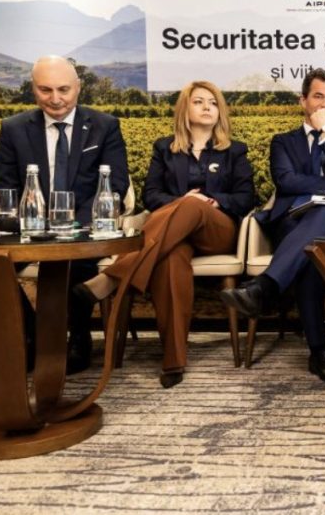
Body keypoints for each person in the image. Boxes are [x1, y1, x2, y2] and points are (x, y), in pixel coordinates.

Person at [75, 81, 255, 388]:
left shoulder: (234, 151)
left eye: (213, 102)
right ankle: (173, 360)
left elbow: (247, 197)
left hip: (218, 231)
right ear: (185, 108)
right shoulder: (164, 148)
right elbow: (152, 195)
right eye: (199, 101)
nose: (207, 107)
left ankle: (117, 274)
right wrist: (185, 202)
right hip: (173, 236)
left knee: (192, 207)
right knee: (170, 258)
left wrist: (211, 202)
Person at [221, 69, 325, 384]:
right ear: (303, 100)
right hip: (289, 223)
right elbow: (286, 181)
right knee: (311, 251)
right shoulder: (283, 142)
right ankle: (319, 352)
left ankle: (265, 288)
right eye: (318, 96)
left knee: (323, 219)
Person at [0, 55, 129, 373]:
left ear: (78, 88)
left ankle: (78, 338)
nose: (55, 99)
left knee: (74, 260)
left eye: (63, 89)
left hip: (82, 227)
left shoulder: (104, 126)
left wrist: (71, 225)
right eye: (46, 90)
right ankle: (31, 332)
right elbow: (4, 187)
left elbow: (114, 184)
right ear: (33, 90)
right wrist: (36, 224)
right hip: (30, 228)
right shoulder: (13, 129)